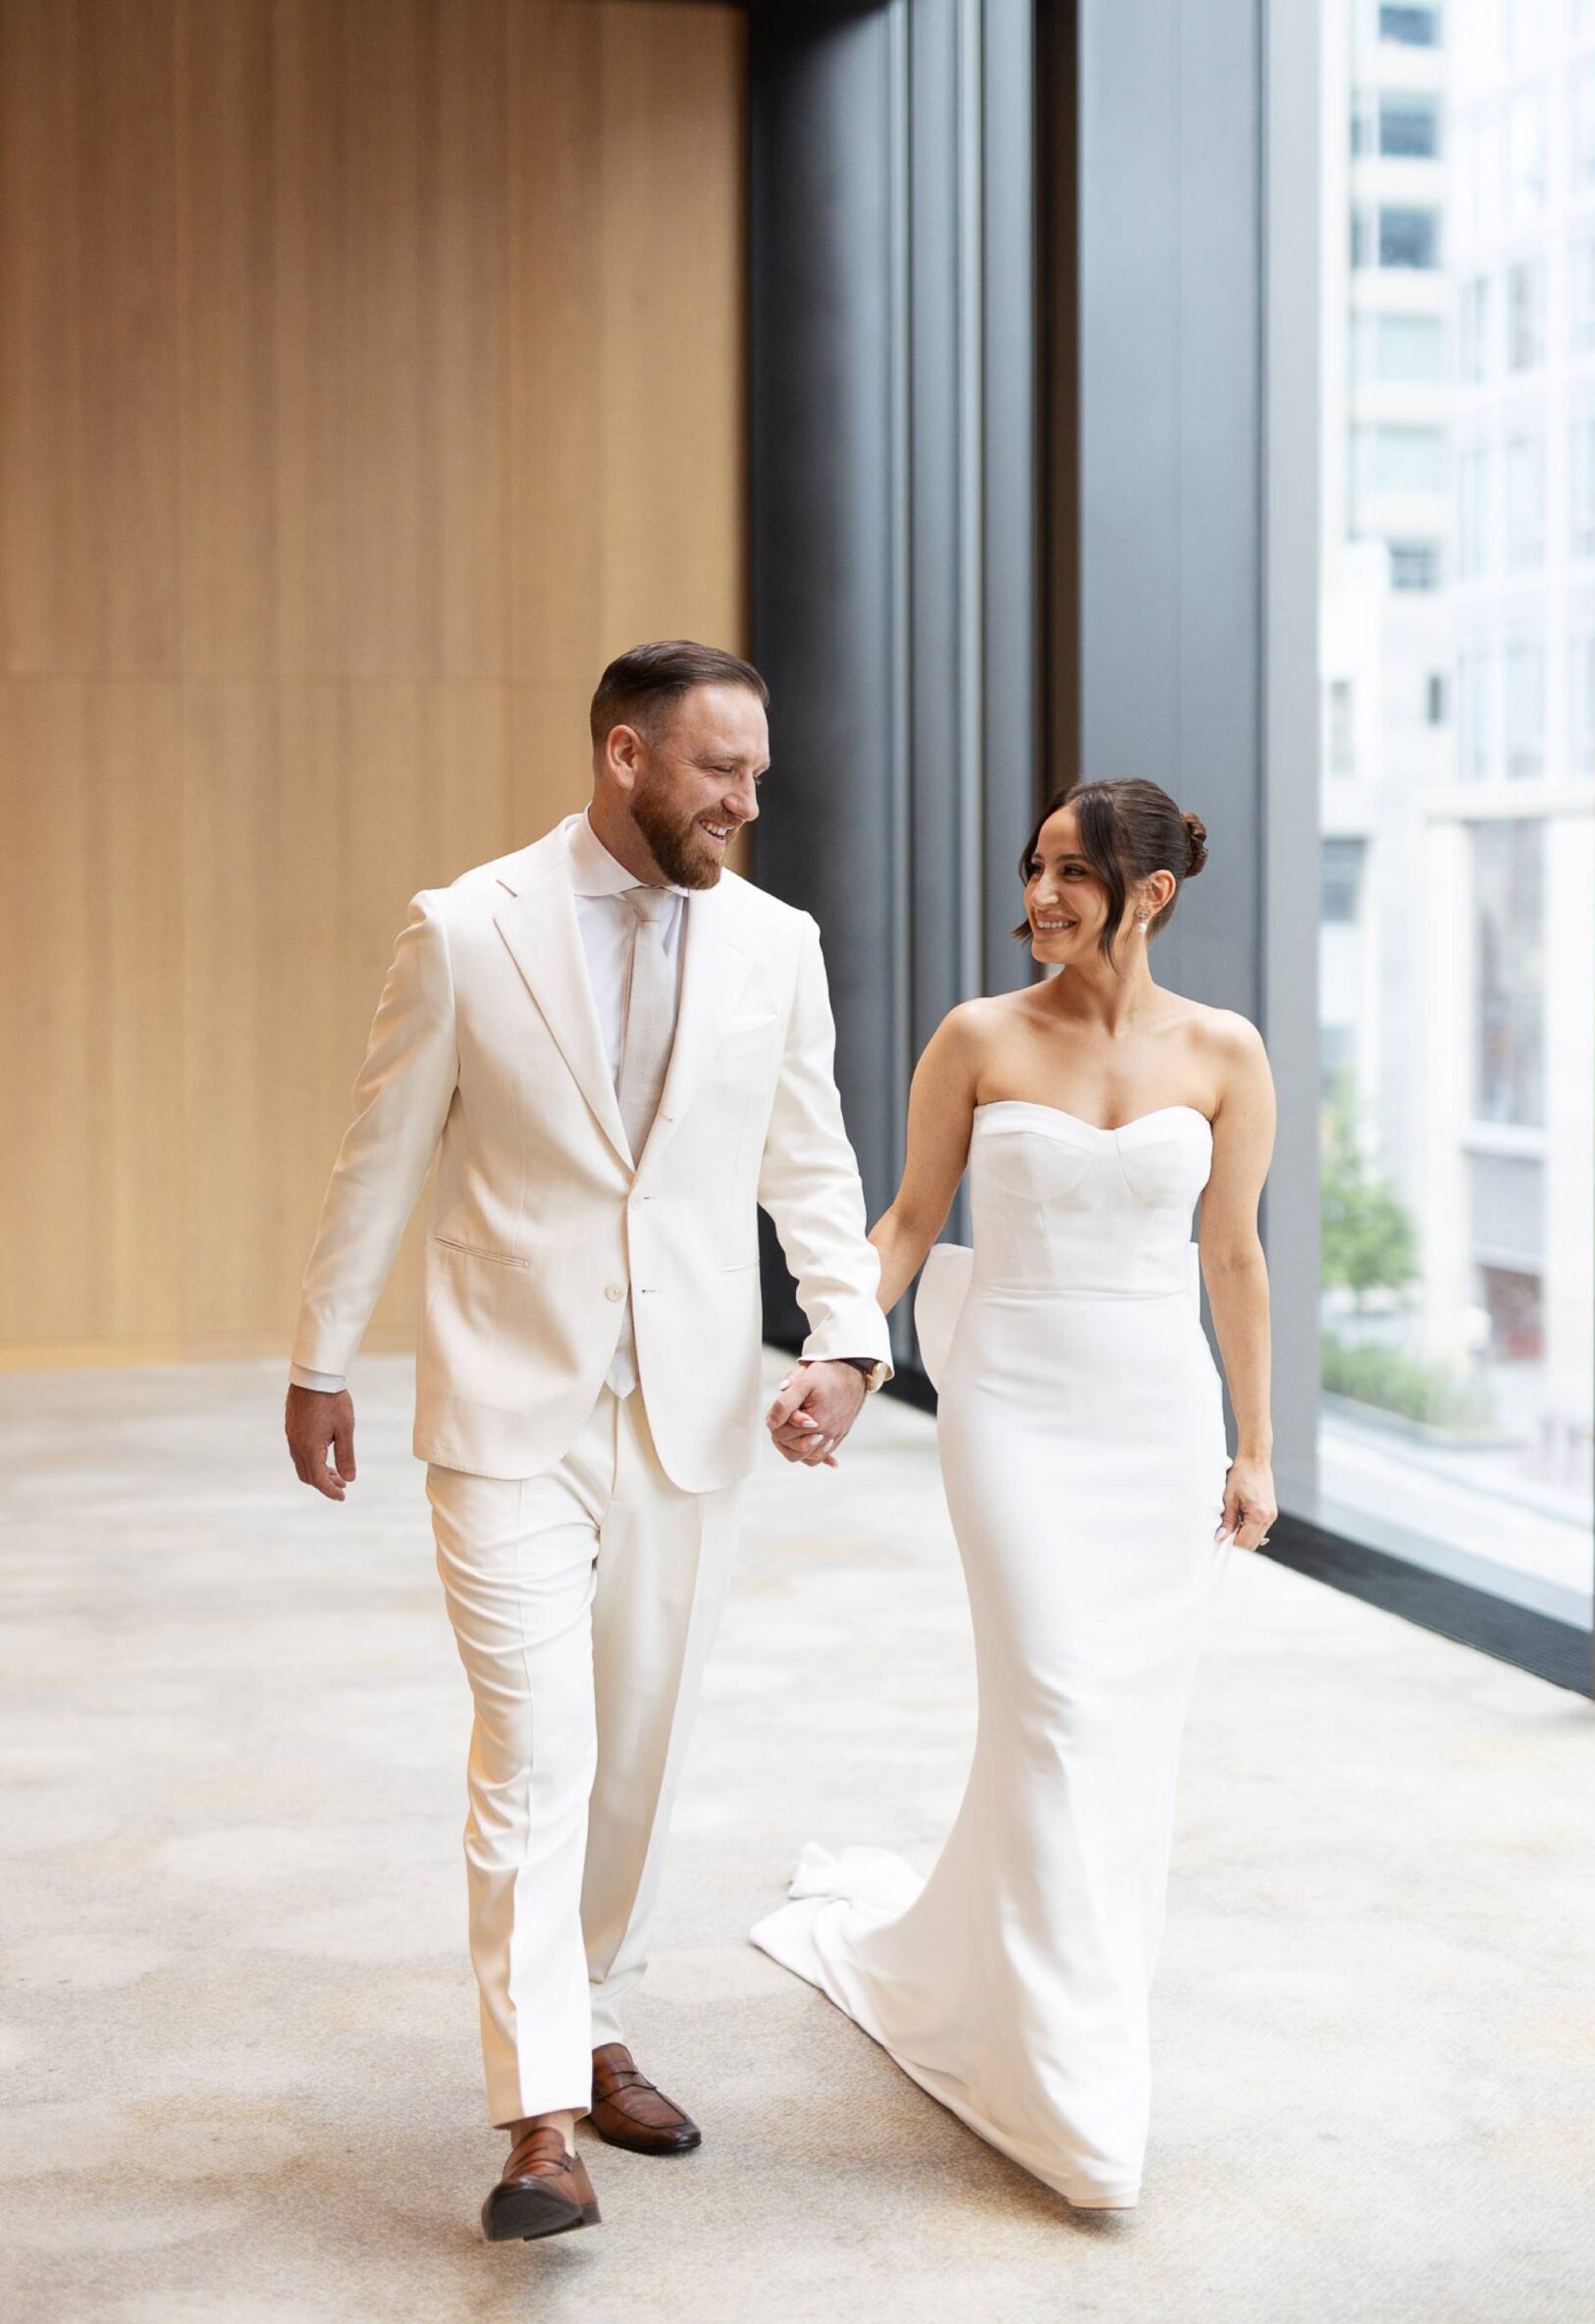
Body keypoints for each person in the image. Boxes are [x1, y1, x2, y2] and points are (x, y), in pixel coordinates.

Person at [284, 641, 891, 2243]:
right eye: (720, 771)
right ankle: (540, 2112)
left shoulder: (775, 941)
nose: (749, 803)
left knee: (642, 1745)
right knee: (537, 1749)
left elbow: (809, 1161)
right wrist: (319, 1357)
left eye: (759, 772)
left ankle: (595, 2006)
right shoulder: (467, 927)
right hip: (507, 1404)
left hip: (691, 1403)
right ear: (625, 757)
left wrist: (845, 1335)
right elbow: (380, 1155)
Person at [753, 775, 1277, 2211]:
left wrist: (1257, 1447)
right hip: (1017, 1412)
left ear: (1150, 894)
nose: (1040, 896)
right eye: (1036, 868)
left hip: (1159, 1419)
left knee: (1121, 1741)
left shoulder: (1227, 1054)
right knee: (1051, 1700)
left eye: (1071, 875)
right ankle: (1077, 2096)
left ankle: (1042, 2017)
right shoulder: (977, 1038)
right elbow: (911, 1220)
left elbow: (1233, 1256)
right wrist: (846, 1359)